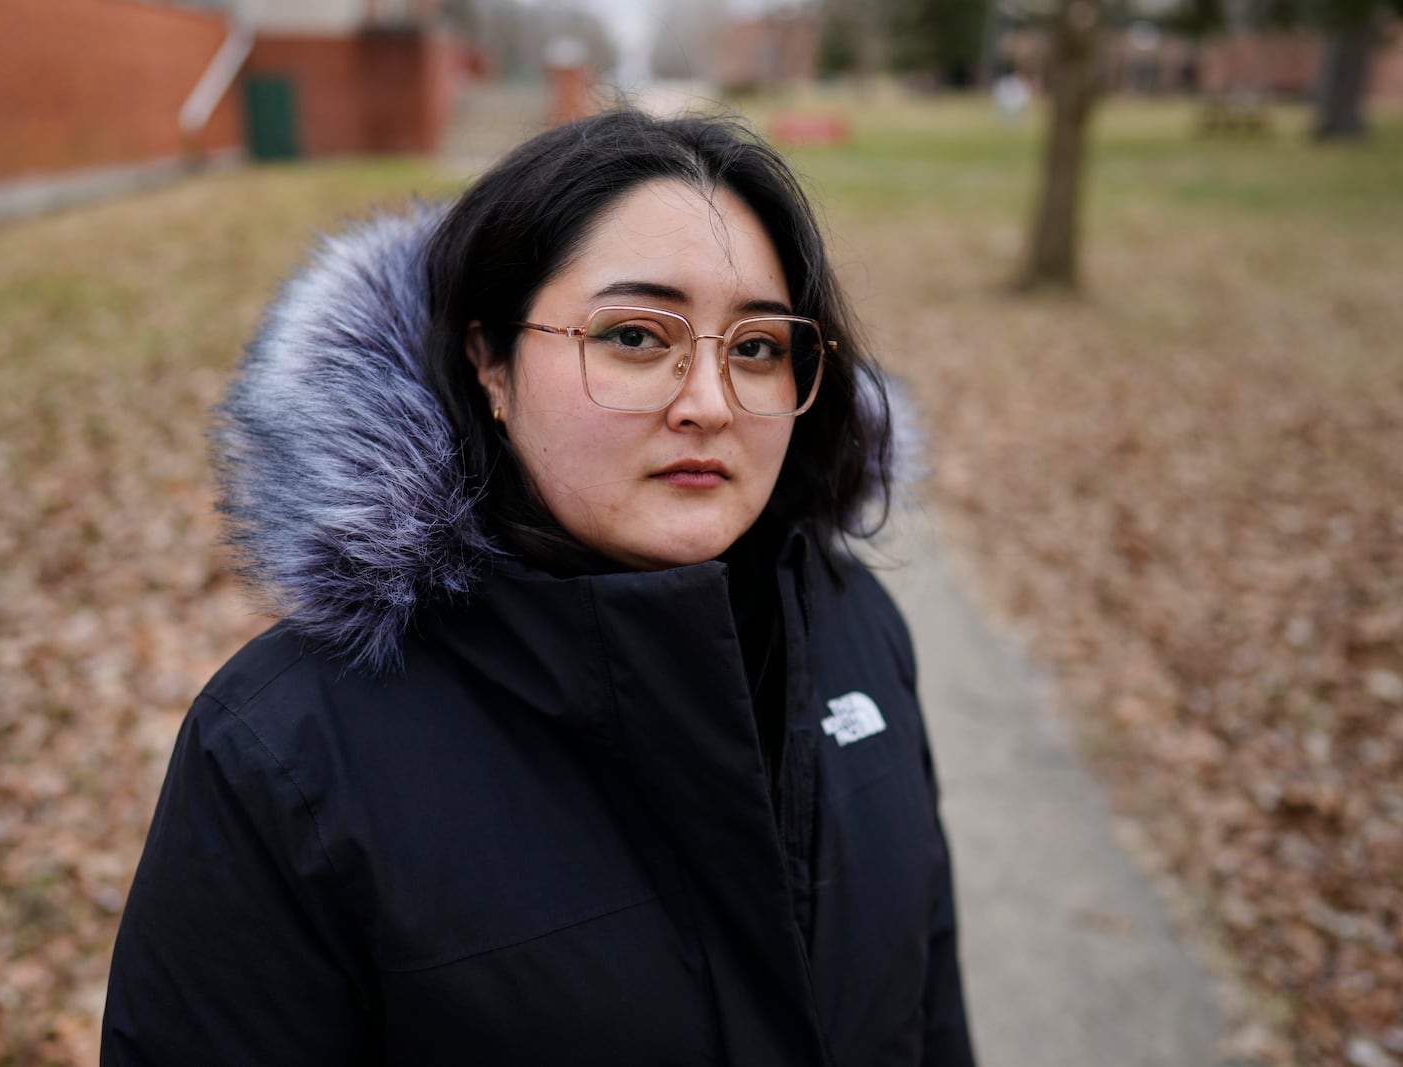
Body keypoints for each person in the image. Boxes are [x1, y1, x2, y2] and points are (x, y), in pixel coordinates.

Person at [103, 109, 975, 1066]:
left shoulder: (853, 628)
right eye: (638, 336)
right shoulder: (288, 753)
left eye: (759, 346)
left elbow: (928, 1008)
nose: (711, 403)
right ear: (491, 362)